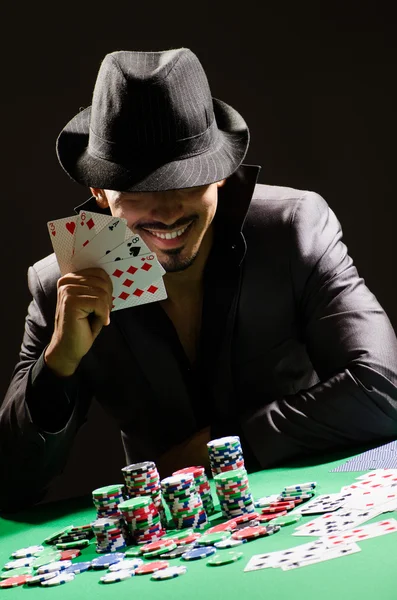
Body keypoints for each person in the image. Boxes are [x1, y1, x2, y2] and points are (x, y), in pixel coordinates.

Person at [1, 47, 397, 512]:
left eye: (187, 179)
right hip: (173, 546)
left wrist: (225, 447)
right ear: (99, 193)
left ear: (221, 174)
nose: (167, 210)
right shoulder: (60, 288)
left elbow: (383, 390)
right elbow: (9, 487)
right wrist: (57, 367)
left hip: (317, 507)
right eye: (138, 189)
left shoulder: (293, 230)